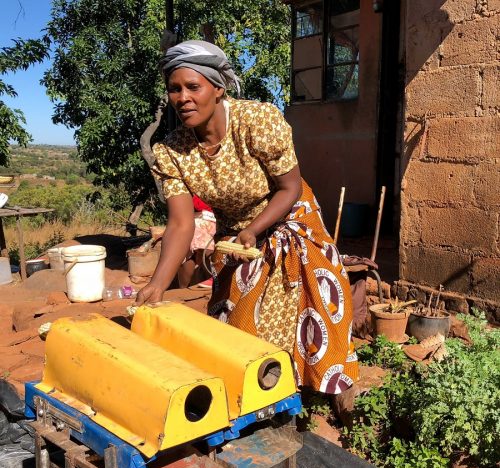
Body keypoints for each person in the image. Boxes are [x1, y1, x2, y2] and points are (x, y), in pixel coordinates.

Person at [136, 40, 357, 394]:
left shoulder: (257, 121)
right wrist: (158, 284)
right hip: (238, 234)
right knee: (237, 320)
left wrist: (254, 229)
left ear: (218, 88)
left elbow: (290, 188)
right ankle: (264, 393)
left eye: (193, 86)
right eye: (174, 89)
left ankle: (323, 391)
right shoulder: (172, 151)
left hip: (290, 218)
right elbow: (180, 223)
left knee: (312, 307)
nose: (182, 98)